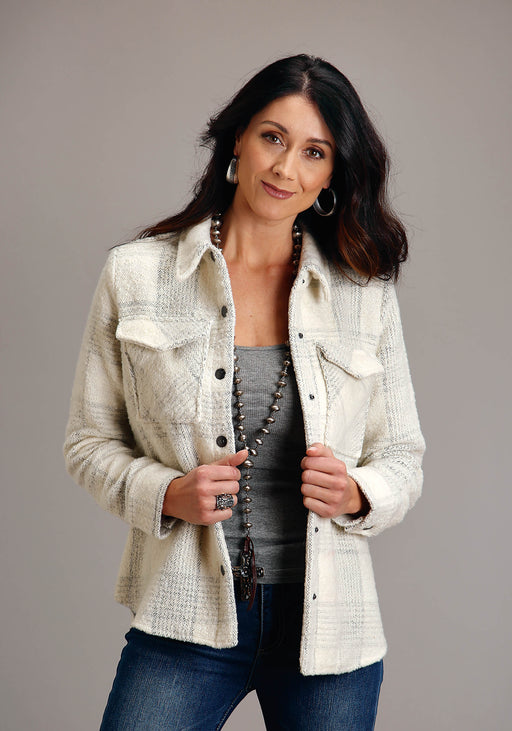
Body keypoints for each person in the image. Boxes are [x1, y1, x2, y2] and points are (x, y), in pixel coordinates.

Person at [64, 54, 425, 730]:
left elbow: (403, 454)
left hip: (329, 632)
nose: (286, 168)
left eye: (314, 152)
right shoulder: (138, 275)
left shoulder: (362, 292)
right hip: (186, 615)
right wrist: (165, 493)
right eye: (272, 137)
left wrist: (357, 492)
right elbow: (89, 443)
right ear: (239, 139)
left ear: (332, 174)